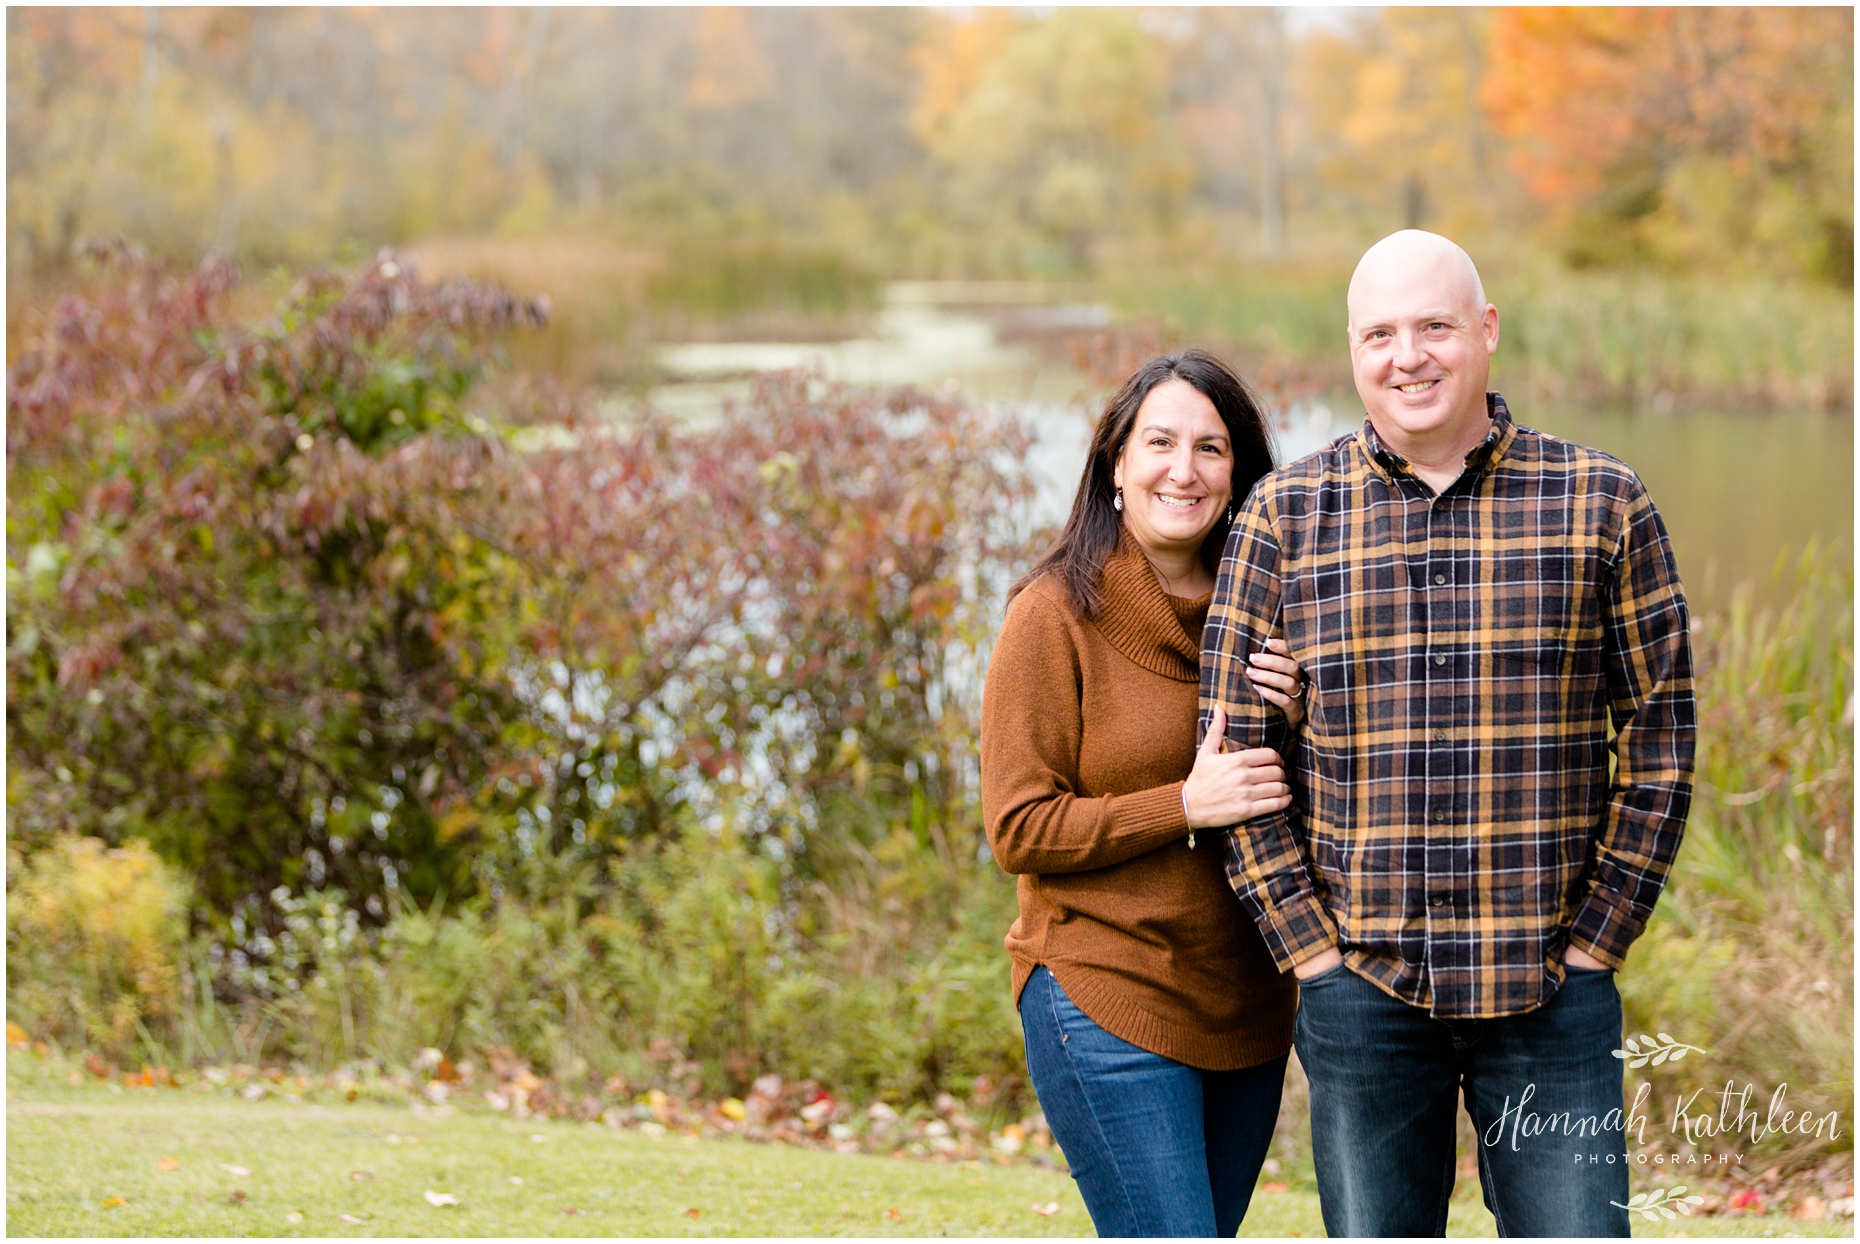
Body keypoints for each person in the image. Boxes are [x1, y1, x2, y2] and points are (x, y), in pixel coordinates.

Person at [1201, 230, 1696, 1237]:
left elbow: (1661, 744)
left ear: (1486, 330)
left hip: (1551, 991)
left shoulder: (1602, 503)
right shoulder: (1283, 518)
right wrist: (1310, 956)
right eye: (1380, 332)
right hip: (1364, 994)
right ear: (1352, 348)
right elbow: (1233, 762)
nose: (1407, 355)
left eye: (1434, 325)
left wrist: (1600, 940)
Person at [981, 350, 1311, 1238]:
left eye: (1211, 448)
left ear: (1238, 472)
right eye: (1159, 442)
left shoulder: (1278, 614)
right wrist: (1183, 804)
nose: (1184, 468)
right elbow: (1018, 827)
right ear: (1115, 467)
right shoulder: (1052, 615)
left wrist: (1305, 716)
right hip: (1103, 987)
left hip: (1245, 1002)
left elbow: (1305, 805)